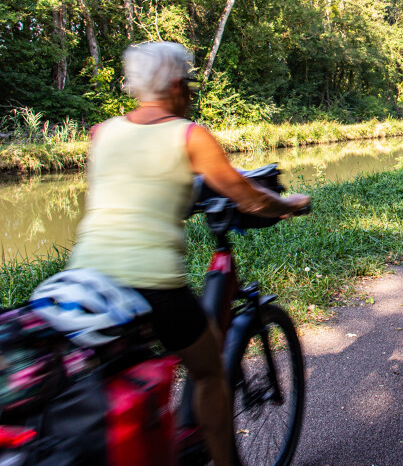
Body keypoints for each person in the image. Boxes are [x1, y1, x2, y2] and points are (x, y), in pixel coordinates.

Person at [66, 42, 309, 466]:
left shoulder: (101, 133)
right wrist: (290, 206)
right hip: (152, 283)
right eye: (190, 85)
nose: (192, 93)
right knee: (210, 370)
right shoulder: (190, 135)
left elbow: (133, 190)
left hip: (85, 281)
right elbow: (247, 198)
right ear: (177, 86)